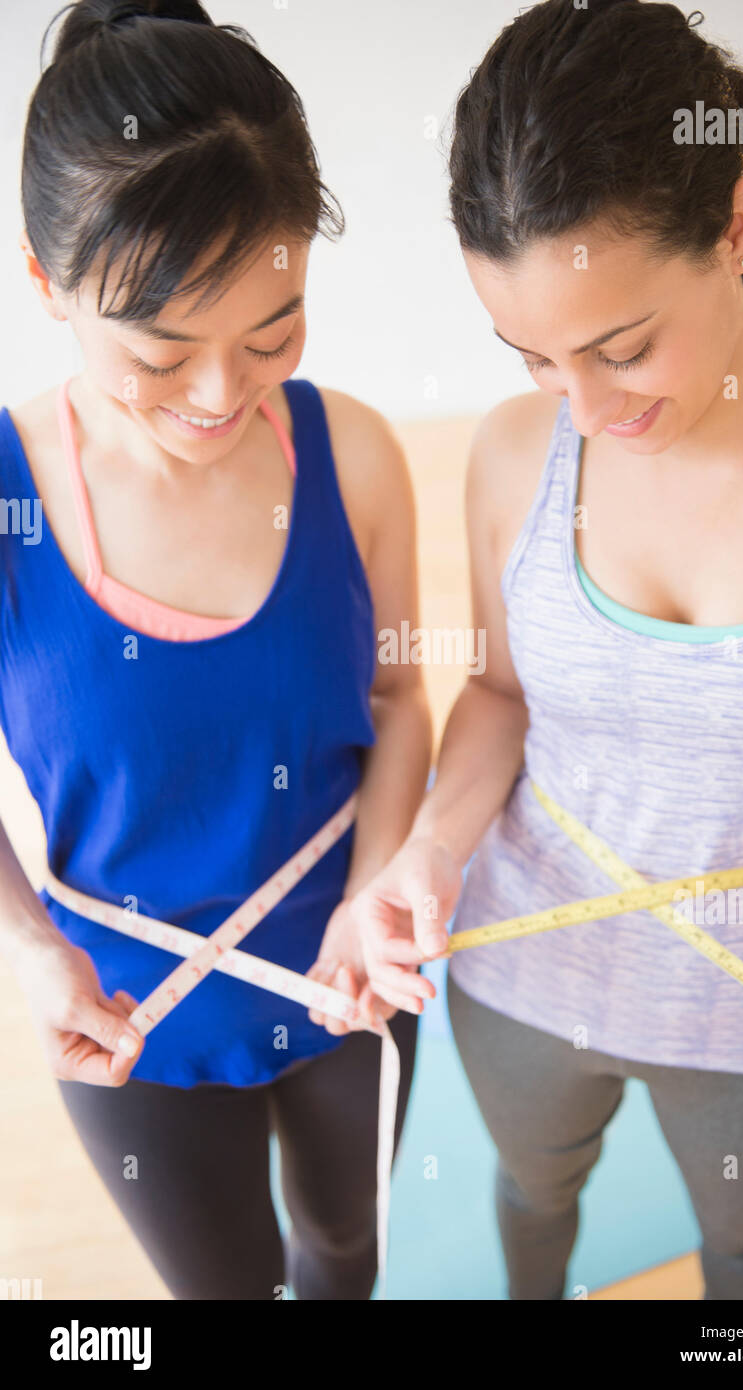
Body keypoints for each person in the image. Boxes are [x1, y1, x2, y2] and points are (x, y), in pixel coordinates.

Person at [352, 0, 743, 1300]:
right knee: (531, 1204)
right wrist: (427, 844)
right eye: (528, 355)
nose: (580, 407)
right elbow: (501, 696)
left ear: (735, 226)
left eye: (620, 345)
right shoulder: (516, 452)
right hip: (530, 955)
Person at [0, 0, 431, 1301]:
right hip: (128, 1013)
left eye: (273, 330)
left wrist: (376, 892)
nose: (217, 396)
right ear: (45, 281)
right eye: (159, 350)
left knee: (348, 1247)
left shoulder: (351, 451)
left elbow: (404, 693)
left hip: (351, 975)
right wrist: (27, 947)